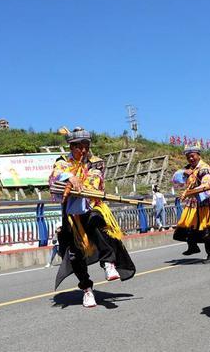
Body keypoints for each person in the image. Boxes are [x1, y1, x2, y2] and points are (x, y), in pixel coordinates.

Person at [49, 127, 135, 308]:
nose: (84, 150)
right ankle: (87, 289)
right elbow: (56, 175)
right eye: (80, 147)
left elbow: (94, 182)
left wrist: (81, 187)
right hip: (72, 214)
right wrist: (70, 177)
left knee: (95, 222)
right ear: (72, 147)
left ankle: (108, 262)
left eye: (86, 146)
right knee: (75, 254)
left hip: (92, 205)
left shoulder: (96, 162)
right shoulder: (62, 161)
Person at [172, 146, 210, 263]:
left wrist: (194, 191)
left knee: (205, 228)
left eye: (192, 155)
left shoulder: (204, 168)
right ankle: (192, 246)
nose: (191, 158)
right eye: (188, 157)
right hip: (192, 203)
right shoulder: (189, 168)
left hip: (203, 202)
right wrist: (184, 172)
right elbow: (175, 179)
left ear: (198, 155)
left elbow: (207, 183)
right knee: (186, 224)